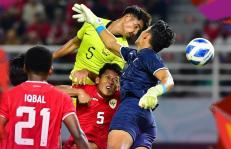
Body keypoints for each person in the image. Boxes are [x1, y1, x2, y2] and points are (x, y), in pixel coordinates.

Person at [72, 4, 175, 149]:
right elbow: (111, 43)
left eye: (143, 29)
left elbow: (168, 79)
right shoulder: (135, 56)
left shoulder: (148, 55)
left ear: (146, 35)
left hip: (130, 112)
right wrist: (95, 21)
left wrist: (154, 92)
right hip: (146, 121)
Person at [0, 46, 89, 149]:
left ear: (25, 68)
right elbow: (78, 136)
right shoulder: (62, 98)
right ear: (51, 70)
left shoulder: (8, 96)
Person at [53, 5, 151, 85]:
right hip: (75, 85)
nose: (135, 32)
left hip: (95, 95)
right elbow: (74, 43)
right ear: (128, 18)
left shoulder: (121, 49)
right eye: (136, 26)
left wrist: (88, 72)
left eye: (138, 30)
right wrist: (50, 58)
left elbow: (111, 80)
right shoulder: (92, 22)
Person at [57, 63, 121, 149]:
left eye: (115, 79)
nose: (111, 81)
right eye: (107, 77)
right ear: (97, 80)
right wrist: (78, 92)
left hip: (97, 145)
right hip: (76, 143)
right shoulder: (86, 90)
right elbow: (53, 90)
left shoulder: (120, 97)